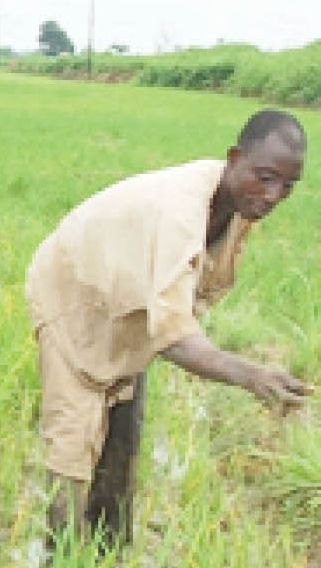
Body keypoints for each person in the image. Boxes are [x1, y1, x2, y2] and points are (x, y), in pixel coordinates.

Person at [25, 108, 313, 545]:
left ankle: (108, 551)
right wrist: (251, 374)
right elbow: (174, 336)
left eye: (287, 186)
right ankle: (58, 557)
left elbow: (182, 299)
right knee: (74, 433)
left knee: (122, 426)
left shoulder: (237, 206)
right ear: (235, 158)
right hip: (75, 293)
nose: (273, 195)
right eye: (265, 177)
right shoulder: (182, 210)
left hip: (126, 301)